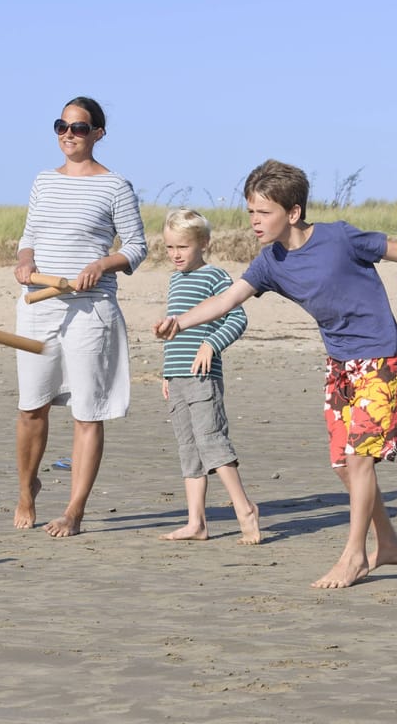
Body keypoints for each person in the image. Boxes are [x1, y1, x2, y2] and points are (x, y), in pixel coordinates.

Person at [154, 159, 397, 587]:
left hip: (378, 358)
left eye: (264, 212)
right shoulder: (269, 262)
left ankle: (354, 556)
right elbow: (226, 301)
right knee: (343, 467)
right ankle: (387, 543)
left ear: (292, 213)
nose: (255, 221)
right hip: (339, 365)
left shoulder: (339, 237)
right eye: (251, 212)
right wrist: (180, 323)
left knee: (359, 461)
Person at [12, 96, 147, 537]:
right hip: (38, 305)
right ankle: (27, 492)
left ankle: (74, 510)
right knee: (32, 408)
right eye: (62, 126)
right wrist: (24, 261)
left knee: (88, 413)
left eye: (80, 128)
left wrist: (101, 265)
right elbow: (29, 236)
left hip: (92, 311)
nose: (69, 134)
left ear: (99, 134)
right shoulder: (42, 181)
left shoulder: (116, 186)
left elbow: (136, 248)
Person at [158, 208, 260, 544]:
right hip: (178, 377)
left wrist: (211, 345)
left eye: (182, 247)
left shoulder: (215, 276)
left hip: (203, 378)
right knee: (189, 449)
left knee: (211, 441)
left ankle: (244, 508)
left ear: (203, 243)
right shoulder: (175, 280)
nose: (175, 254)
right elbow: (176, 331)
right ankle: (196, 522)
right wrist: (166, 373)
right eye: (170, 247)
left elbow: (236, 319)